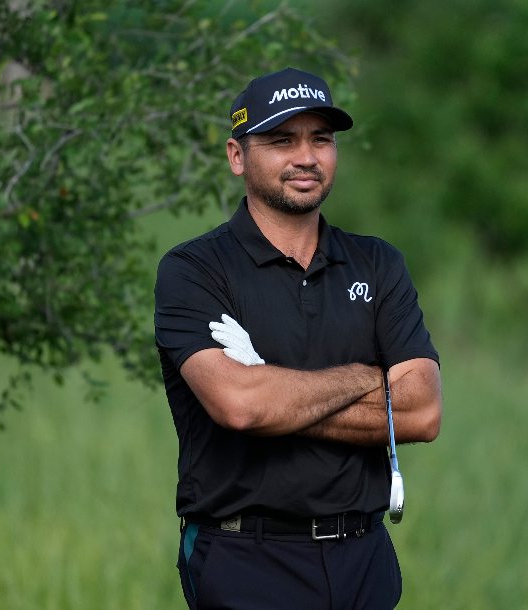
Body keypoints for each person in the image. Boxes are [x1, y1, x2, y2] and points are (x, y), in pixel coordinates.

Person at [154, 66, 443, 609]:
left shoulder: (377, 263)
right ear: (237, 156)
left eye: (322, 140)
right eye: (281, 140)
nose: (306, 156)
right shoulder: (194, 269)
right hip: (244, 555)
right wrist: (368, 378)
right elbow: (241, 406)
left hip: (363, 555)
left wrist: (278, 395)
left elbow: (422, 412)